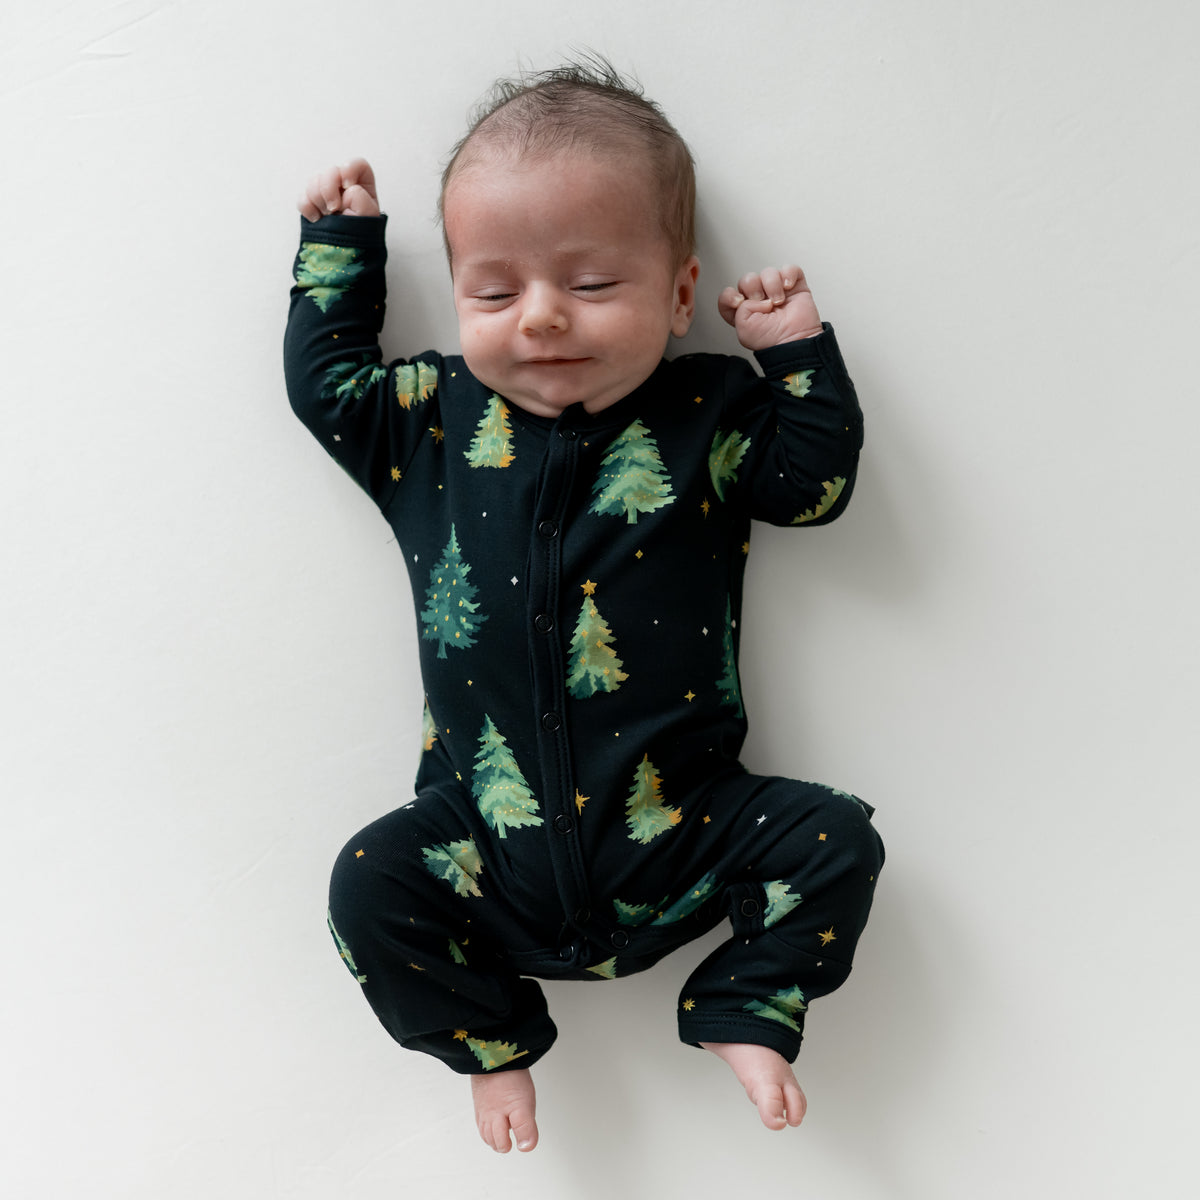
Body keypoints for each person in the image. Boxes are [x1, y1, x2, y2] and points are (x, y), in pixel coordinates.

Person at [285, 60, 883, 1155]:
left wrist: (793, 352)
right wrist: (341, 253)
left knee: (836, 840)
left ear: (680, 293)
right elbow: (328, 388)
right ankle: (489, 1039)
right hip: (486, 839)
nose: (544, 317)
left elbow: (815, 487)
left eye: (594, 284)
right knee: (365, 887)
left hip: (681, 826)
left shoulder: (708, 411)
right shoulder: (427, 422)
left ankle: (745, 1004)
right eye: (494, 293)